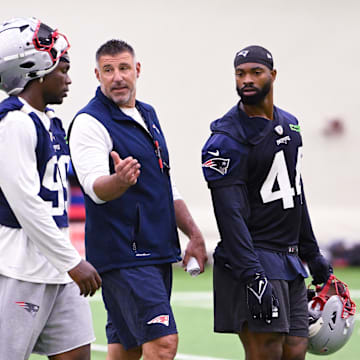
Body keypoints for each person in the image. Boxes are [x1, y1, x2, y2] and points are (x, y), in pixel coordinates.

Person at [68, 39, 207, 360]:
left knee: (125, 350)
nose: (117, 76)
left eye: (123, 68)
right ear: (97, 75)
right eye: (108, 70)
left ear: (137, 70)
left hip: (156, 253)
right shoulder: (90, 122)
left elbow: (165, 185)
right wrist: (118, 181)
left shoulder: (148, 114)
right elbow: (93, 186)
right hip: (125, 255)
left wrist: (195, 235)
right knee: (163, 344)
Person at [201, 45, 332, 360]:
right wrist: (252, 276)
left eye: (255, 72)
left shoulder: (290, 125)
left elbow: (294, 194)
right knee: (267, 350)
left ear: (272, 75)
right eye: (240, 73)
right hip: (254, 257)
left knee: (296, 348)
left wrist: (313, 256)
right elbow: (229, 215)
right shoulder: (225, 139)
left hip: (288, 259)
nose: (246, 80)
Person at [0, 17, 101, 360]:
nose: (69, 79)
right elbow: (25, 203)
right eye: (63, 69)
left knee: (77, 353)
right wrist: (72, 260)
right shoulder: (14, 123)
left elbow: (65, 197)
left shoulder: (51, 122)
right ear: (35, 70)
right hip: (18, 267)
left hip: (57, 267)